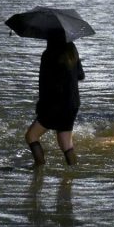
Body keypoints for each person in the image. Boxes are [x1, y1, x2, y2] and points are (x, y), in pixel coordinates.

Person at [25, 29, 85, 166]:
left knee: (31, 136)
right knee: (65, 143)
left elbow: (44, 84)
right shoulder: (72, 51)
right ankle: (72, 175)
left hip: (55, 104)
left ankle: (39, 170)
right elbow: (81, 75)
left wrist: (41, 106)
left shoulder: (48, 55)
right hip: (72, 104)